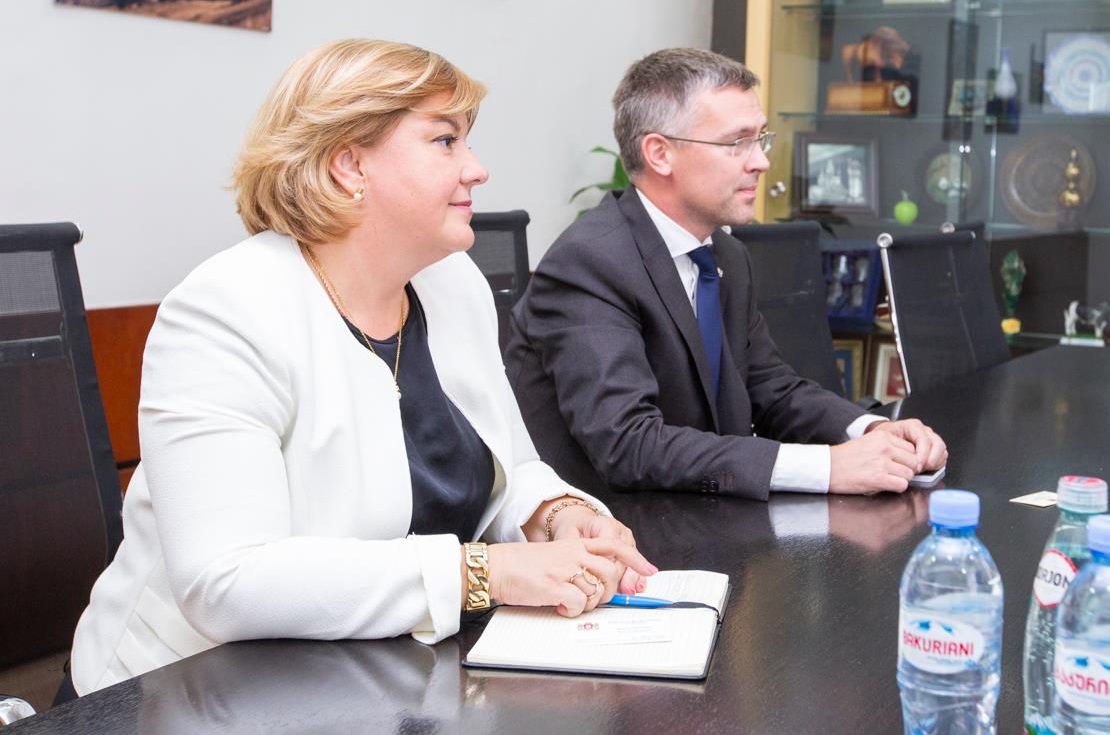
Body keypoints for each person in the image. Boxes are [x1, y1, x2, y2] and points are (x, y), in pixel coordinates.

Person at [68, 39, 654, 696]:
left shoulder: (452, 283)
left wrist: (556, 512)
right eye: (445, 141)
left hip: (376, 676)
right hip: (187, 694)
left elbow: (508, 467)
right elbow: (224, 581)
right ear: (349, 163)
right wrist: (485, 573)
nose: (477, 168)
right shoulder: (225, 311)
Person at [505, 47, 947, 502]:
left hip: (699, 513)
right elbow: (628, 445)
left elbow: (769, 388)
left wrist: (870, 430)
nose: (761, 162)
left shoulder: (725, 254)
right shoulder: (589, 263)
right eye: (736, 142)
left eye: (760, 139)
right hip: (604, 527)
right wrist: (827, 467)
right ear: (660, 153)